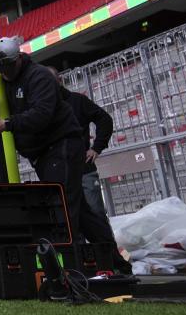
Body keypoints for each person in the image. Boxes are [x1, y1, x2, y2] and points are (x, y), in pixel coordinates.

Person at [0, 38, 89, 237]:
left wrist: (6, 124)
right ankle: (114, 260)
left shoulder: (38, 76)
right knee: (81, 212)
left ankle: (69, 262)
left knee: (61, 207)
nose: (4, 73)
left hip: (60, 146)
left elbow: (41, 115)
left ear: (18, 60)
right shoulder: (7, 81)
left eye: (8, 67)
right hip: (46, 152)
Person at [46, 67, 132, 274]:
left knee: (94, 215)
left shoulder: (77, 101)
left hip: (82, 170)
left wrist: (96, 148)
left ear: (59, 80)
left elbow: (105, 119)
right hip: (65, 172)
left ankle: (111, 260)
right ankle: (90, 262)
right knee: (76, 218)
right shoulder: (47, 104)